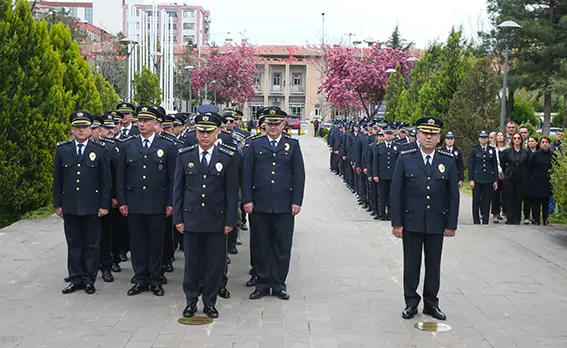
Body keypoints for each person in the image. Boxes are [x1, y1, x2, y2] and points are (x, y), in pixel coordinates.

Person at [390, 116, 459, 321]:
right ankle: (411, 302)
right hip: (411, 222)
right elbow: (396, 192)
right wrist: (397, 223)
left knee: (433, 265)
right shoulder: (405, 158)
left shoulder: (447, 161)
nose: (429, 137)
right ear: (417, 135)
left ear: (439, 138)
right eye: (425, 133)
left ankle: (431, 303)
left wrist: (451, 224)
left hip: (437, 223)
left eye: (433, 134)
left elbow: (453, 196)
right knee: (412, 264)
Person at [174, 112, 239, 319]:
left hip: (216, 220)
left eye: (209, 132)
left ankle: (210, 302)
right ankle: (191, 300)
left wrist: (230, 221)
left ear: (217, 132)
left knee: (214, 265)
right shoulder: (185, 155)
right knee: (192, 264)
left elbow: (231, 193)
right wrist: (178, 218)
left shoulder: (227, 157)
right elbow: (178, 190)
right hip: (191, 219)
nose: (204, 136)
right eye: (201, 131)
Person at [243, 106, 306, 300]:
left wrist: (296, 201)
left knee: (282, 245)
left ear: (283, 124)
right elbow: (247, 174)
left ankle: (278, 283)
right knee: (260, 245)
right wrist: (247, 199)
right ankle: (262, 283)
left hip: (284, 204)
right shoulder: (255, 145)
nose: (272, 127)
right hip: (259, 203)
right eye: (269, 123)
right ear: (264, 125)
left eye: (276, 123)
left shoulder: (292, 145)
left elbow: (298, 175)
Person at [117, 106, 177, 297]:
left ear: (155, 124)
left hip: (157, 202)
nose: (141, 125)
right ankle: (141, 278)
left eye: (146, 121)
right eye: (139, 121)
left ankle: (155, 278)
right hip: (134, 202)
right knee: (137, 242)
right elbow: (121, 176)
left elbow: (172, 178)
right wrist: (122, 201)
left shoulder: (167, 146)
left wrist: (170, 202)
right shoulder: (128, 145)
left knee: (155, 242)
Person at [54, 112, 111, 295]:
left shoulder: (99, 150)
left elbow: (105, 181)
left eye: (84, 127)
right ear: (72, 129)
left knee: (91, 244)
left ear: (90, 130)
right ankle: (75, 278)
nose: (81, 130)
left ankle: (89, 279)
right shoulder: (63, 150)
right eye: (77, 127)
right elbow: (58, 179)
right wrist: (58, 204)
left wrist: (104, 205)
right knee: (74, 243)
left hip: (92, 205)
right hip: (70, 205)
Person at [90, 114, 120, 283]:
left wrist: (114, 196)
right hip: (86, 199)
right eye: (91, 128)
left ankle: (106, 266)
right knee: (87, 237)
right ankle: (86, 268)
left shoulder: (108, 147)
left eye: (95, 129)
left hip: (104, 198)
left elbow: (114, 175)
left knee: (105, 235)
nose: (92, 132)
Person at [468, 131, 499, 225]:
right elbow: (471, 165)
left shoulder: (492, 149)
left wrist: (495, 180)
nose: (483, 139)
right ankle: (476, 220)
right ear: (479, 139)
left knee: (487, 200)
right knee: (476, 200)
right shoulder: (474, 150)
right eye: (482, 138)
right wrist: (471, 179)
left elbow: (494, 165)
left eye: (485, 138)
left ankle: (485, 220)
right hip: (477, 178)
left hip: (488, 179)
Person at [499, 132, 529, 225]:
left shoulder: (525, 152)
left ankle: (517, 219)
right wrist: (505, 172)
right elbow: (503, 163)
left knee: (518, 198)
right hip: (509, 177)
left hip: (521, 178)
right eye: (515, 138)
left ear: (521, 140)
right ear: (512, 140)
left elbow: (527, 165)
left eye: (518, 138)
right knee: (509, 198)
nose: (516, 140)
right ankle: (509, 218)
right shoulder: (507, 152)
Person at [372, 125, 399, 221]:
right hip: (382, 175)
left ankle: (391, 214)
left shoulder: (397, 146)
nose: (388, 136)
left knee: (392, 196)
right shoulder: (379, 146)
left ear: (393, 135)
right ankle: (381, 214)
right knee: (382, 196)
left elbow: (399, 163)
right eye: (387, 134)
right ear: (383, 135)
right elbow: (375, 162)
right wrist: (375, 174)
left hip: (393, 176)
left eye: (390, 134)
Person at [528, 137, 553, 225]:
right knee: (536, 201)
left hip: (547, 181)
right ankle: (536, 219)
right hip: (536, 181)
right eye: (543, 142)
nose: (545, 144)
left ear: (550, 144)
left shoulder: (553, 155)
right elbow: (530, 168)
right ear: (540, 144)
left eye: (547, 142)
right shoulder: (535, 155)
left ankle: (545, 219)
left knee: (546, 201)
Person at [491, 132, 507, 223]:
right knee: (495, 195)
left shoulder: (508, 149)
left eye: (502, 135)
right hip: (495, 174)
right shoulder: (493, 149)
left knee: (506, 195)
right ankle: (495, 214)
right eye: (498, 135)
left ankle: (505, 213)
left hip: (505, 174)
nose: (500, 137)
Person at [523, 136, 539, 224]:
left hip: (537, 178)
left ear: (536, 142)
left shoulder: (539, 152)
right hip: (527, 178)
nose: (530, 143)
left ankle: (535, 216)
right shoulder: (526, 153)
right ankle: (526, 216)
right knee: (527, 198)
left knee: (535, 198)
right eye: (529, 141)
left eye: (532, 141)